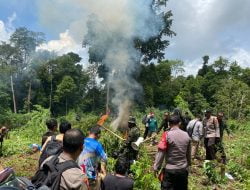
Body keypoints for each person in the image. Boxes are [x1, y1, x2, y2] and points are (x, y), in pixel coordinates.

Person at [154, 115, 191, 190]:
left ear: (169, 124)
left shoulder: (166, 134)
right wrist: (189, 164)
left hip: (170, 171)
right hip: (183, 170)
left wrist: (156, 167)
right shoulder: (186, 135)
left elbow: (161, 153)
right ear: (179, 123)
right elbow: (188, 153)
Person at [78, 125, 107, 190]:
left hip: (79, 173)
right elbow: (104, 158)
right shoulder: (97, 145)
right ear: (98, 135)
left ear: (89, 132)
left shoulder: (81, 141)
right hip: (90, 176)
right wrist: (104, 172)